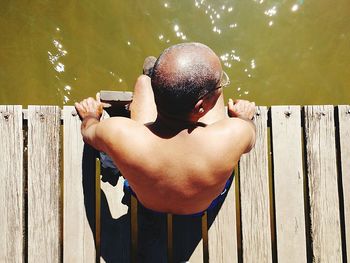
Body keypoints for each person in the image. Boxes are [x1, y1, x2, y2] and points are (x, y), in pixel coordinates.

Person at [75, 42, 256, 215]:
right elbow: (251, 135)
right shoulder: (235, 134)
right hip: (200, 207)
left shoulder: (118, 133)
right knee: (210, 90)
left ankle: (154, 77)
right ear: (200, 108)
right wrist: (243, 117)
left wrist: (91, 116)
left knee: (143, 82)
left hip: (145, 200)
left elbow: (88, 132)